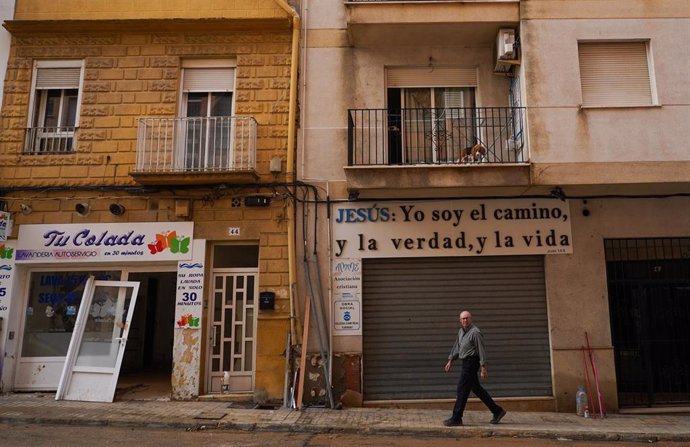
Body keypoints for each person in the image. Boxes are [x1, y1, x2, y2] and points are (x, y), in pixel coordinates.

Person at [443, 310, 507, 426]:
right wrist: (450, 360)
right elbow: (457, 347)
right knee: (476, 389)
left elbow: (481, 350)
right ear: (460, 320)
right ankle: (497, 411)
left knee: (461, 389)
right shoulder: (461, 332)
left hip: (472, 363)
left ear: (471, 319)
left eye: (467, 318)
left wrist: (483, 367)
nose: (465, 320)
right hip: (465, 362)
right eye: (463, 318)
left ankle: (456, 418)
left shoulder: (475, 332)